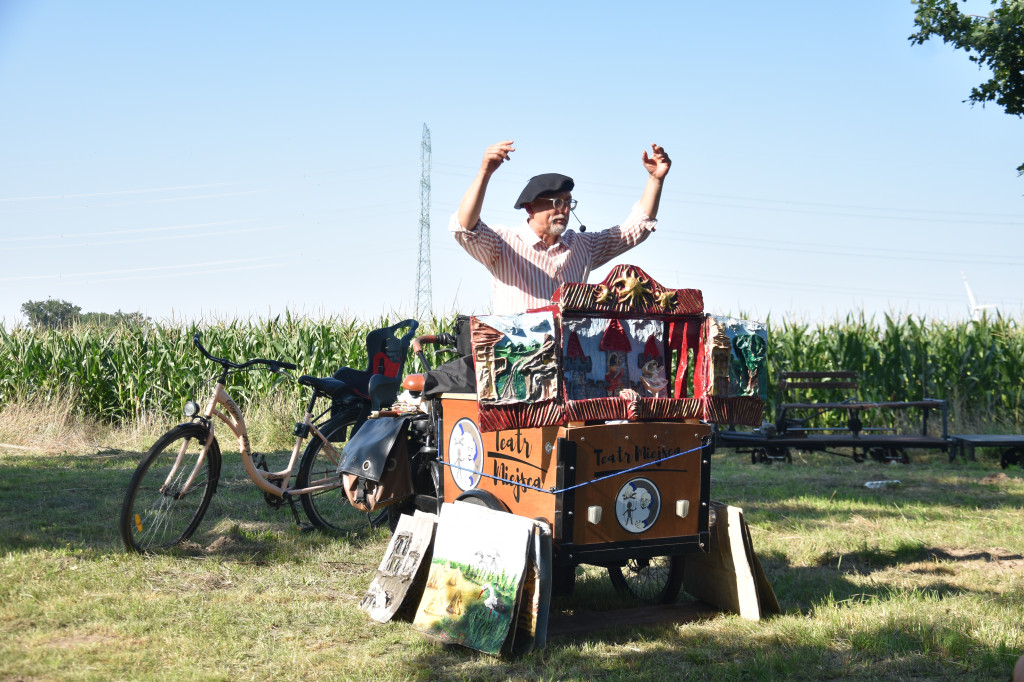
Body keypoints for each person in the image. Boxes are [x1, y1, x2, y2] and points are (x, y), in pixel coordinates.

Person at [450, 140, 672, 314]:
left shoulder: (582, 246)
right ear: (529, 208)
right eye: (557, 203)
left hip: (570, 361)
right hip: (518, 361)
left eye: (568, 203)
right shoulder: (502, 242)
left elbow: (635, 229)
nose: (564, 211)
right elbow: (465, 227)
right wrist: (485, 172)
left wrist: (655, 180)